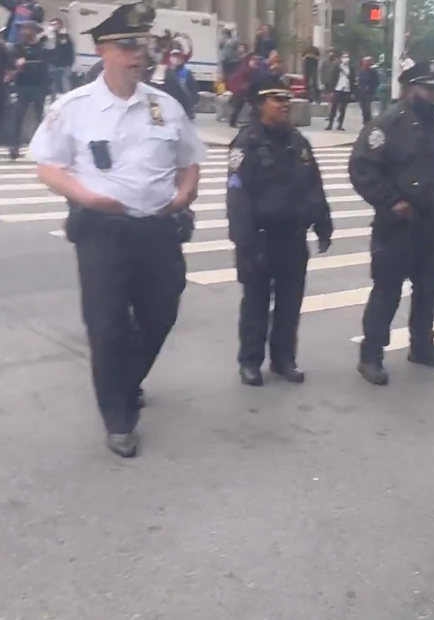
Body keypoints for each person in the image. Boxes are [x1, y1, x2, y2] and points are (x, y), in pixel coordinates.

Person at [28, 1, 205, 458]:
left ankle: (125, 378)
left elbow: (190, 161)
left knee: (160, 314)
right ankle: (119, 418)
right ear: (102, 50)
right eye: (127, 45)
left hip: (158, 230)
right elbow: (47, 166)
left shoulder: (166, 106)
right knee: (107, 327)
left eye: (142, 45)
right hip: (102, 234)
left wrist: (185, 193)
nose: (138, 54)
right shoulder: (74, 107)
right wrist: (86, 197)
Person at [348, 60, 434, 386]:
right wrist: (391, 201)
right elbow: (362, 169)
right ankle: (371, 355)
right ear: (410, 89)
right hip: (397, 226)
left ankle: (422, 347)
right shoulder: (387, 125)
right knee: (387, 293)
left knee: (428, 290)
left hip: (432, 225)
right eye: (430, 89)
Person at [226, 76, 333, 386]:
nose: (285, 104)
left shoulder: (297, 142)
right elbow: (237, 196)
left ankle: (283, 359)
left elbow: (314, 184)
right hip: (260, 237)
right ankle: (250, 361)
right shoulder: (246, 143)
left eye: (287, 99)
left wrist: (323, 223)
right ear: (260, 104)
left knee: (290, 303)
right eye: (277, 99)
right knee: (256, 304)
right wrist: (245, 243)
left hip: (293, 236)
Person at [8, 19, 49, 161]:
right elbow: (12, 63)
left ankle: (43, 146)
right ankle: (14, 146)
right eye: (22, 29)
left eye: (27, 28)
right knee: (18, 116)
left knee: (39, 116)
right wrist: (17, 65)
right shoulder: (17, 47)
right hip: (22, 85)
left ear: (34, 31)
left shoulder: (42, 47)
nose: (24, 31)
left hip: (39, 86)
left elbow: (49, 60)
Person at [326, 52, 354, 131]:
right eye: (344, 57)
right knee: (334, 107)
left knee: (343, 109)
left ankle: (340, 125)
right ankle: (330, 124)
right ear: (341, 58)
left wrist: (352, 90)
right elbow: (332, 77)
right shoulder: (337, 67)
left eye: (347, 57)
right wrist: (330, 88)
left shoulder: (351, 68)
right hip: (338, 89)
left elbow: (353, 79)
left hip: (347, 90)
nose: (346, 59)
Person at [357, 57, 379, 123]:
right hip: (362, 93)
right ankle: (365, 121)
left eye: (367, 62)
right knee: (363, 108)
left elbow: (376, 82)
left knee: (368, 108)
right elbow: (359, 81)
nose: (366, 63)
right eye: (365, 61)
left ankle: (368, 121)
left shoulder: (373, 72)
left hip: (369, 93)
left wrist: (370, 87)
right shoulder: (361, 72)